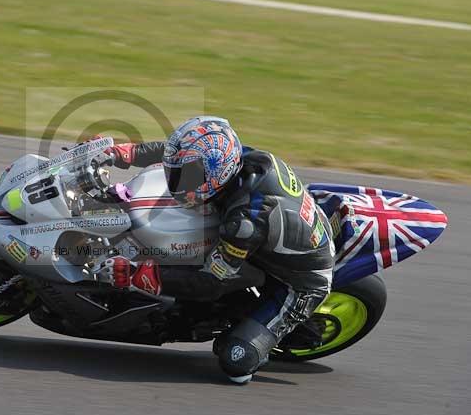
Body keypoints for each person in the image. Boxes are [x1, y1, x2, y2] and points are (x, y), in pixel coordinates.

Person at [101, 116, 335, 384]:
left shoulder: (244, 224)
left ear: (215, 176)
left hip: (299, 283)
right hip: (277, 234)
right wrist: (124, 152)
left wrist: (140, 276)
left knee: (235, 361)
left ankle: (251, 327)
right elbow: (178, 152)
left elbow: (209, 282)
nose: (175, 180)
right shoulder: (232, 155)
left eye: (185, 176)